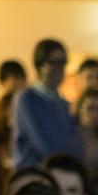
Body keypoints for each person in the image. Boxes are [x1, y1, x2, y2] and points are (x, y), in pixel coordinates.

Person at [12, 38, 82, 169]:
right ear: (39, 66)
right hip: (34, 175)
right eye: (53, 63)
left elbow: (77, 142)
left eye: (63, 63)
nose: (59, 69)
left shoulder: (64, 104)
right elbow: (44, 144)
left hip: (59, 173)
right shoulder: (27, 99)